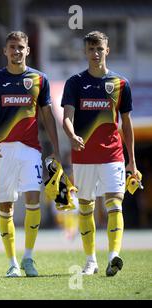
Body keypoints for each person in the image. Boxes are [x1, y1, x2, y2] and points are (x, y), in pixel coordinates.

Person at [0, 31, 61, 277]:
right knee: (6, 206)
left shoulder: (39, 79)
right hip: (2, 151)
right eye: (12, 47)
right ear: (4, 51)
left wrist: (56, 151)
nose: (16, 51)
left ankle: (28, 258)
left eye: (21, 47)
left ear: (28, 50)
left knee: (33, 202)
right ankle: (12, 262)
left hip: (30, 151)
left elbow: (47, 116)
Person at [62, 31, 139, 277]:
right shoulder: (74, 82)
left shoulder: (120, 84)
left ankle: (114, 256)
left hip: (113, 155)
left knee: (115, 203)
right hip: (83, 156)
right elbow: (67, 117)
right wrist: (72, 135)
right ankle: (90, 261)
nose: (95, 53)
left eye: (100, 49)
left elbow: (126, 124)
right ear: (85, 52)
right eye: (91, 49)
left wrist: (132, 162)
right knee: (86, 207)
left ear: (107, 50)